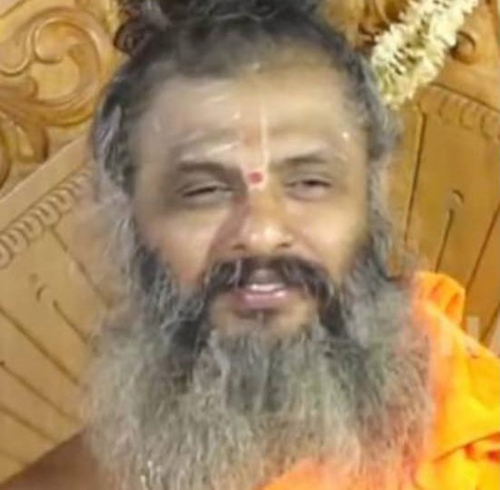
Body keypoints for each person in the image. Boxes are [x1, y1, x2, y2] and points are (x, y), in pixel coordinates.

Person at [2, 0, 498, 489]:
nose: (261, 232)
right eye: (204, 191)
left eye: (308, 182)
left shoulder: (472, 433)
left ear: (371, 203)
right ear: (130, 222)